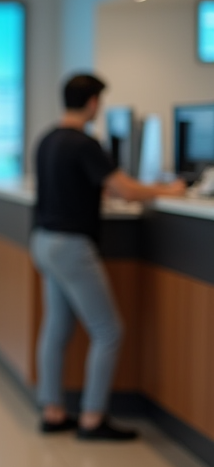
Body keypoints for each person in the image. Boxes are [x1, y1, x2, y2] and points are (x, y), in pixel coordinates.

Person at [33, 74, 185, 441]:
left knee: (56, 330)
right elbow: (125, 190)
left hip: (43, 241)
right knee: (109, 331)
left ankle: (53, 411)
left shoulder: (47, 139)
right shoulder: (85, 143)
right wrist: (169, 189)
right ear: (93, 103)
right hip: (71, 245)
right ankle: (92, 418)